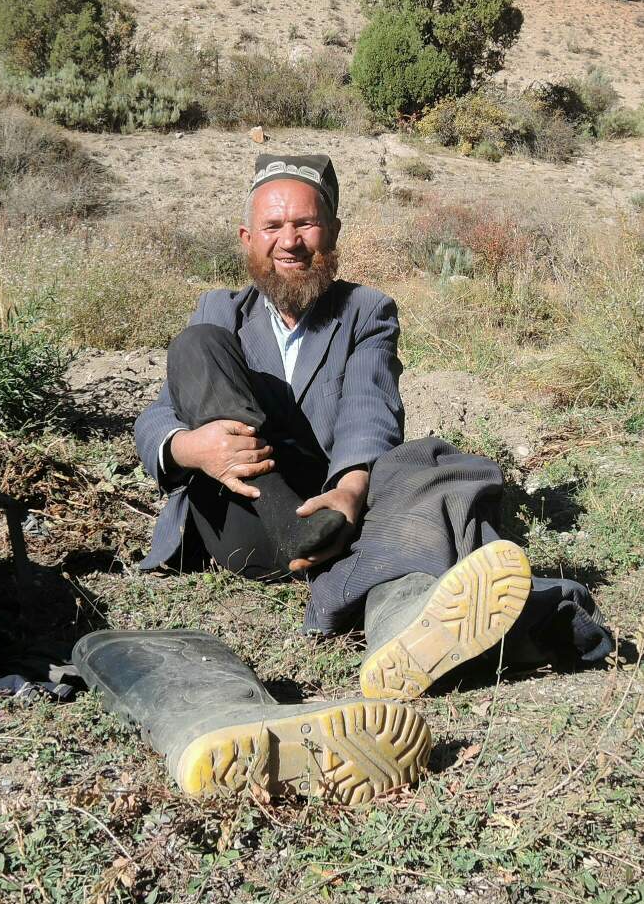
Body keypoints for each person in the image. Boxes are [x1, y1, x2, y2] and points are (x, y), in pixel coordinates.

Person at [135, 153, 613, 703]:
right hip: (244, 515)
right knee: (195, 347)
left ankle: (406, 623)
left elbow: (369, 404)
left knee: (430, 463)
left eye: (305, 224)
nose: (289, 241)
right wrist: (193, 447)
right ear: (247, 238)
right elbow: (158, 417)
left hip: (335, 512)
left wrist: (350, 489)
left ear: (332, 231)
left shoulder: (366, 310)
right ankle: (497, 613)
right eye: (272, 227)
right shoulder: (219, 311)